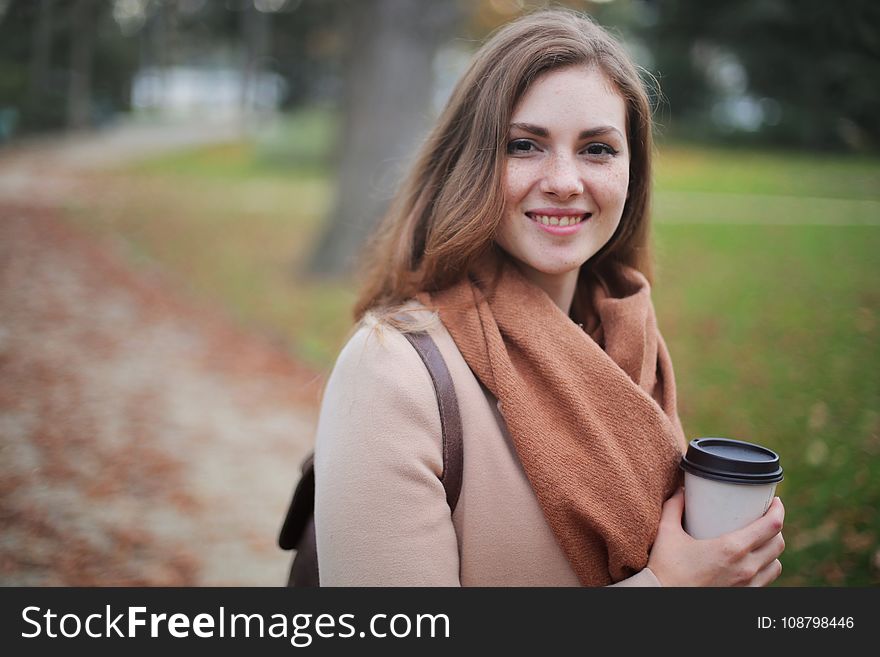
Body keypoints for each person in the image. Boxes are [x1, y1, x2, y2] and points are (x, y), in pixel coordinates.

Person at [312, 9, 785, 586]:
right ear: (472, 162)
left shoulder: (628, 341)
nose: (564, 180)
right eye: (524, 145)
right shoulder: (391, 370)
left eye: (597, 149)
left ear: (632, 171)